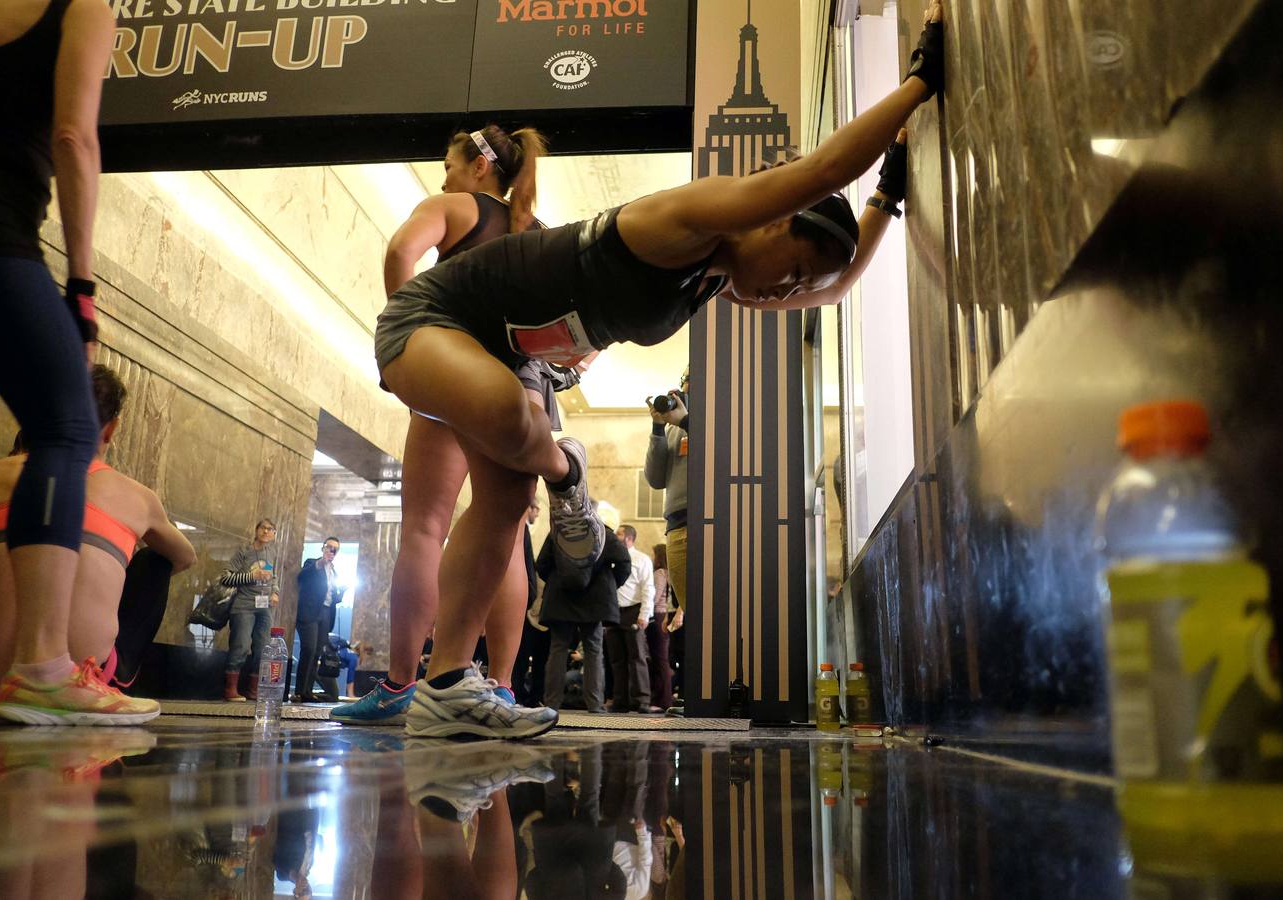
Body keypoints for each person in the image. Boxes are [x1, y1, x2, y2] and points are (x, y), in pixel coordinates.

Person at [375, 3, 940, 738]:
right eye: (791, 266)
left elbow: (836, 284)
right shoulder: (691, 220)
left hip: (499, 353)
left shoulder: (716, 276)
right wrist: (921, 82)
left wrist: (888, 196)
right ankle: (564, 470)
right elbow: (825, 169)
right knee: (526, 432)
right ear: (770, 219)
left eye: (796, 287)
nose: (786, 290)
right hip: (429, 321)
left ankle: (447, 681)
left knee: (508, 498)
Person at [332, 123, 588, 727]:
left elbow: (400, 252)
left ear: (478, 166)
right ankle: (496, 687)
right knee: (504, 530)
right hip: (514, 385)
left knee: (425, 527)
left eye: (449, 164)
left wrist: (411, 332)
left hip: (447, 374)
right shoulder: (538, 235)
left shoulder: (455, 206)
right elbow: (578, 337)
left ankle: (399, 686)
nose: (442, 176)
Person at [0, 0, 140, 725]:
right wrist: (81, 286)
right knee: (69, 431)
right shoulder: (82, 5)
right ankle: (41, 665)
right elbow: (74, 137)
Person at [0, 365, 197, 719]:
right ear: (110, 428)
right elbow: (185, 557)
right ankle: (103, 681)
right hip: (81, 680)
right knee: (156, 561)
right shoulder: (137, 497)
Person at [536, 523, 628, 713]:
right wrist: (608, 584)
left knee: (558, 648)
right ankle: (594, 704)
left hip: (561, 597)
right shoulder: (604, 533)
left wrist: (559, 580)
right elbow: (624, 563)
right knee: (594, 650)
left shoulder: (559, 530)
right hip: (595, 600)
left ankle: (552, 703)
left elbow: (543, 563)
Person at [644, 368, 690, 627]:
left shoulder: (723, 415)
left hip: (717, 521)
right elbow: (655, 479)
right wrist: (658, 428)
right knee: (689, 605)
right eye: (687, 381)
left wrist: (686, 421)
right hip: (677, 526)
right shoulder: (672, 428)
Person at [219, 519, 281, 701]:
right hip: (244, 605)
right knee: (241, 645)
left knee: (262, 648)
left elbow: (273, 576)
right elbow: (226, 577)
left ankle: (253, 690)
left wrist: (275, 592)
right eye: (263, 528)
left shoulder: (271, 552)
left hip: (265, 606)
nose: (266, 532)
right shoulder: (244, 551)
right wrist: (251, 576)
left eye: (271, 529)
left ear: (274, 534)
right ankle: (230, 689)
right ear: (256, 530)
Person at [608, 525, 655, 714]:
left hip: (633, 611)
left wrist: (644, 614)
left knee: (637, 658)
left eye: (618, 533)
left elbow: (648, 588)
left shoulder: (641, 559)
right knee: (617, 659)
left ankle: (642, 699)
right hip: (613, 611)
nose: (615, 536)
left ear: (628, 538)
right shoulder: (611, 558)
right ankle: (620, 700)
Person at [294, 536, 343, 702]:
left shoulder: (335, 571)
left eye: (334, 549)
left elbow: (333, 597)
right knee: (308, 649)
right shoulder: (312, 563)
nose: (331, 551)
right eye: (329, 547)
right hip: (309, 612)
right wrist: (320, 563)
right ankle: (299, 691)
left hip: (326, 613)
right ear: (323, 548)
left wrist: (341, 593)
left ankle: (307, 691)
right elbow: (301, 577)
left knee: (316, 652)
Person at [512, 499, 551, 707]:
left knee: (521, 652)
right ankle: (515, 691)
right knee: (520, 652)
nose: (537, 514)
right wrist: (530, 595)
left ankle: (516, 691)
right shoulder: (521, 528)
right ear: (529, 508)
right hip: (521, 598)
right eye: (536, 509)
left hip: (525, 598)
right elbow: (528, 565)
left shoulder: (523, 529)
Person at [645, 543, 674, 713]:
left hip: (658, 615)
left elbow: (654, 597)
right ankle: (661, 698)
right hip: (666, 614)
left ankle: (663, 700)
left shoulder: (659, 573)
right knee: (661, 658)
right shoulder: (669, 572)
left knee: (659, 658)